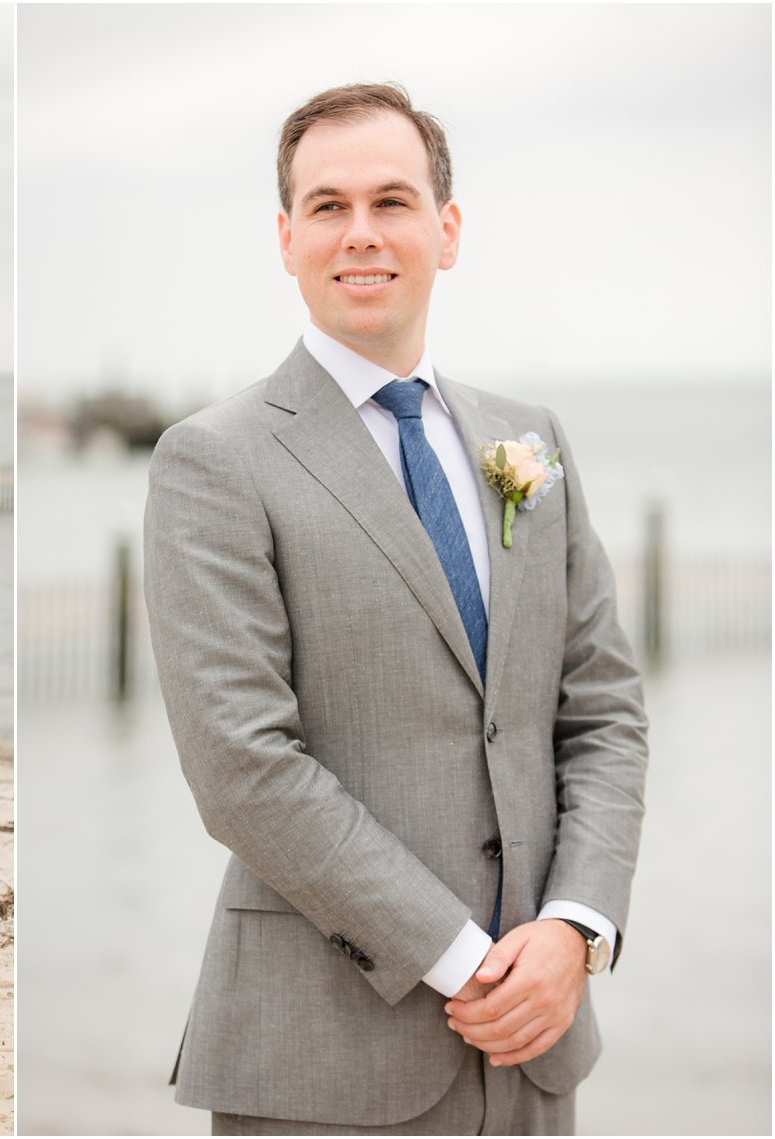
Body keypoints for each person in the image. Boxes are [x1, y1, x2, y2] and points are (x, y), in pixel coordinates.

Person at [144, 83, 648, 1134]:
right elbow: (241, 766)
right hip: (322, 1049)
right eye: (326, 206)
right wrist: (461, 957)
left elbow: (599, 708)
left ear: (445, 230)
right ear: (285, 238)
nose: (359, 233)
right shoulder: (212, 460)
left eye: (391, 200)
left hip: (535, 1044)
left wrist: (572, 926)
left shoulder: (530, 439)